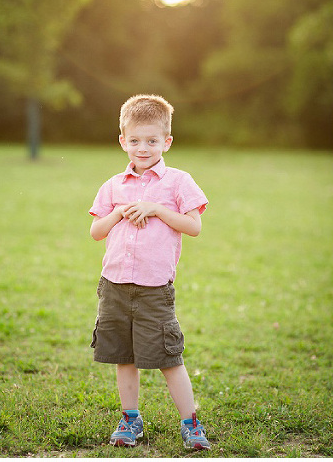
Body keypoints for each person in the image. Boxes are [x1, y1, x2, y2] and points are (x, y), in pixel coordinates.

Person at [89, 94, 211, 450]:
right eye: (135, 141)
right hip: (113, 287)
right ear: (122, 140)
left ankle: (190, 423)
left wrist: (156, 208)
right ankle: (130, 419)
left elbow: (194, 226)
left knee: (167, 359)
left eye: (152, 141)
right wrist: (119, 212)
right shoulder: (114, 185)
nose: (143, 148)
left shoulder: (177, 182)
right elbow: (96, 232)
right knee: (123, 358)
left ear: (166, 142)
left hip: (154, 289)